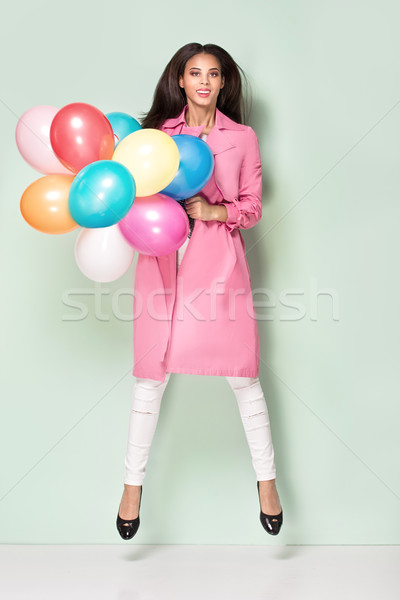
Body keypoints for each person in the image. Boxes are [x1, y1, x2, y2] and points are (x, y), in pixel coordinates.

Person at [116, 43, 283, 540]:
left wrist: (213, 212)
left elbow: (252, 205)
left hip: (216, 264)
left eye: (214, 74)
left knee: (242, 376)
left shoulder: (243, 138)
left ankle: (268, 483)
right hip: (162, 262)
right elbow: (134, 193)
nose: (204, 81)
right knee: (149, 379)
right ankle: (131, 487)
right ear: (181, 81)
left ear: (225, 83)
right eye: (195, 73)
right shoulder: (156, 136)